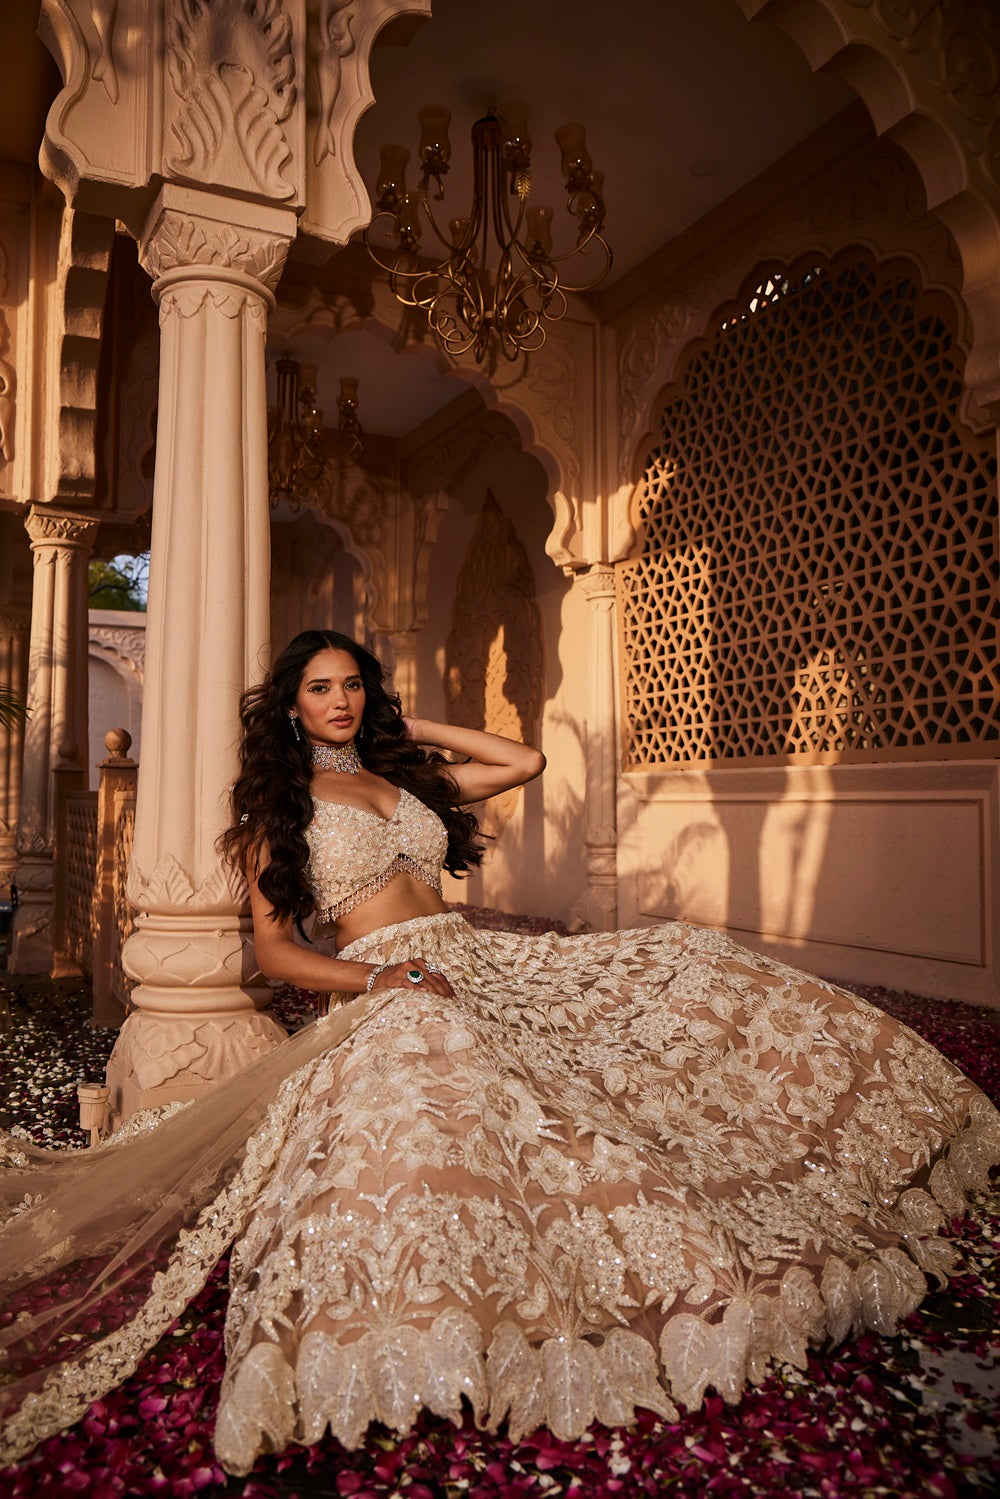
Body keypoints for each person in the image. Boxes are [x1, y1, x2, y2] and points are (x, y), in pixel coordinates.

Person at [2, 628, 999, 1477]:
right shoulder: (284, 808)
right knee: (452, 1063)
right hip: (394, 977)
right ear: (290, 709)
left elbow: (522, 760)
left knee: (680, 958)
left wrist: (404, 722)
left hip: (475, 958)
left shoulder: (400, 778)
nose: (341, 700)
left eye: (353, 683)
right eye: (322, 688)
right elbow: (273, 946)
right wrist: (378, 980)